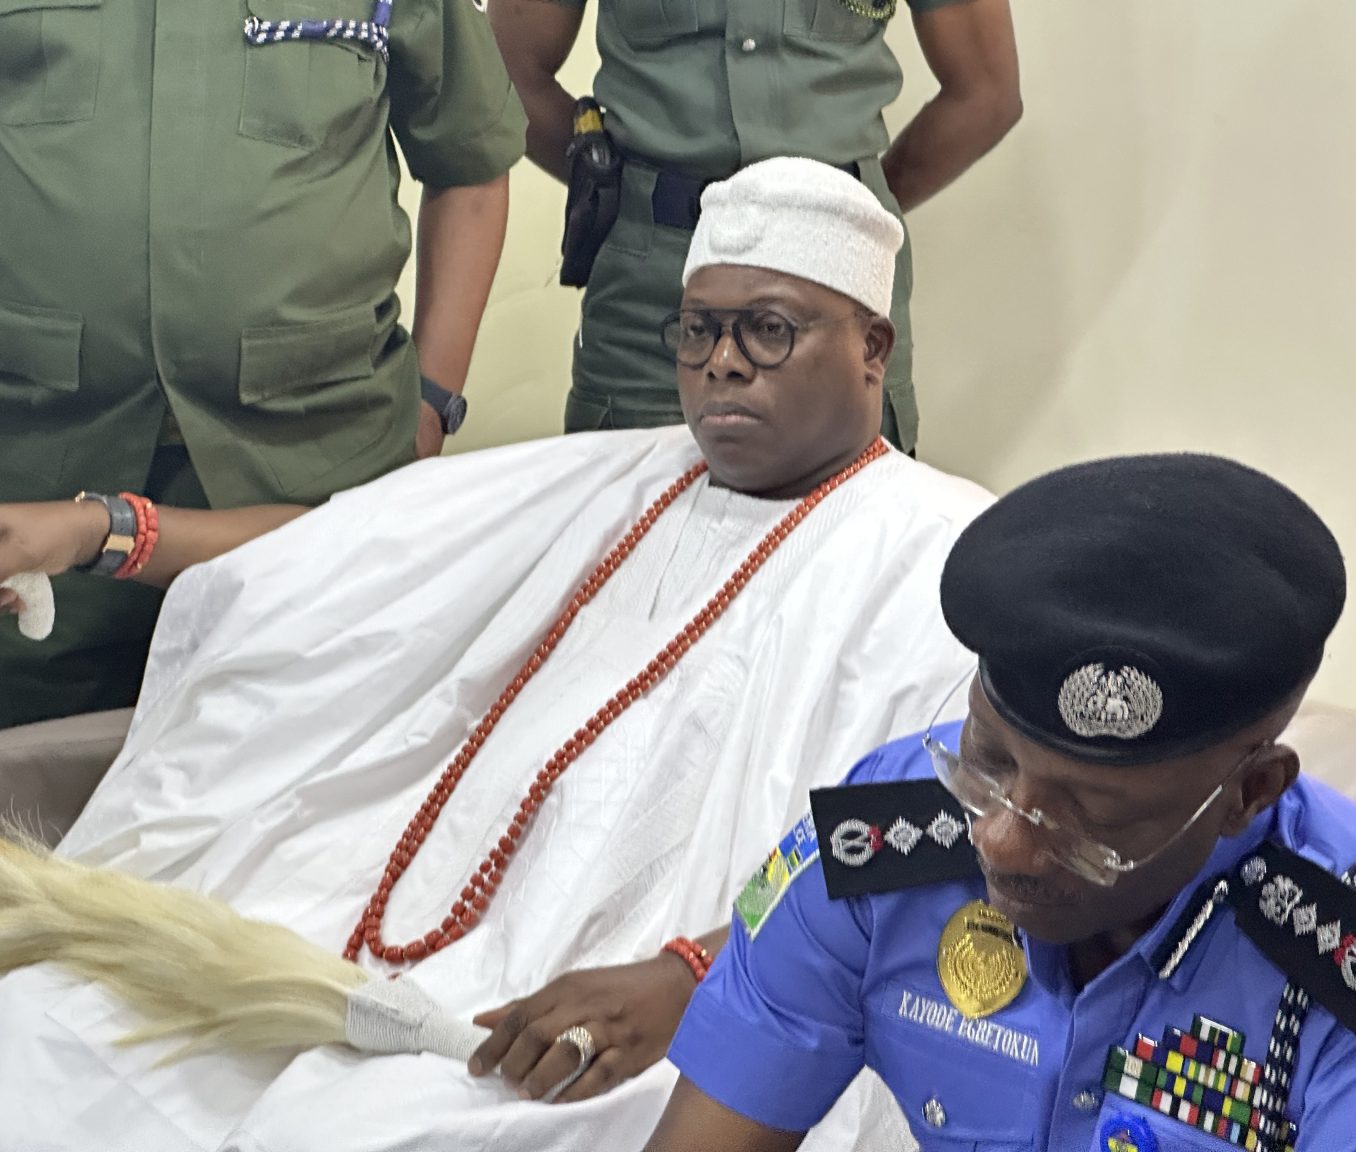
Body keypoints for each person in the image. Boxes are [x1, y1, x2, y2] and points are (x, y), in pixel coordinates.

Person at [0, 159, 992, 1152]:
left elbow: (962, 818)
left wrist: (699, 975)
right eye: (698, 330)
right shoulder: (622, 474)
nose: (722, 363)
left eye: (768, 329)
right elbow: (347, 552)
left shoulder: (951, 552)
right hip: (393, 946)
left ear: (872, 346)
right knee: (44, 1028)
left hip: (676, 1023)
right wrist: (99, 531)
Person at [647, 454, 1356, 1152]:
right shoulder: (881, 834)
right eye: (989, 761)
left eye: (1092, 815)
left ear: (1247, 794)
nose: (1002, 841)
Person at [0, 0, 527, 730]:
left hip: (316, 467)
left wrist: (434, 399)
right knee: (37, 773)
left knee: (320, 758)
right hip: (39, 468)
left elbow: (471, 169)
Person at [491, 0, 1022, 453]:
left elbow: (985, 93)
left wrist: (855, 210)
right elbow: (508, 71)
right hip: (650, 301)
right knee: (630, 525)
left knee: (848, 529)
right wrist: (623, 191)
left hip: (839, 290)